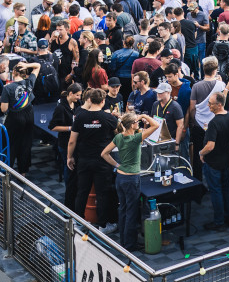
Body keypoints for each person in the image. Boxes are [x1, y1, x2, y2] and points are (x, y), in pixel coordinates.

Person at [101, 112, 161, 250]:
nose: (138, 123)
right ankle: (130, 244)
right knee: (131, 212)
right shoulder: (135, 139)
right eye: (136, 122)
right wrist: (144, 115)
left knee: (122, 209)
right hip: (131, 179)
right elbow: (156, 125)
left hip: (120, 178)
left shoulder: (119, 137)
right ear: (132, 125)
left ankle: (123, 240)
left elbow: (104, 153)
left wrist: (116, 165)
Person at [68, 88, 119, 232]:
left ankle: (78, 223)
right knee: (102, 193)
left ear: (89, 99)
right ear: (103, 101)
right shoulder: (109, 118)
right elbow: (119, 133)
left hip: (83, 160)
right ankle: (103, 225)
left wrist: (69, 157)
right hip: (103, 161)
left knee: (82, 191)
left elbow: (72, 141)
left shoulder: (80, 117)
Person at [198, 92, 229, 231]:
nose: (208, 105)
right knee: (226, 189)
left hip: (214, 162)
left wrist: (201, 153)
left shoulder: (214, 122)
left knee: (216, 191)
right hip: (227, 160)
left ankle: (219, 222)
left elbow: (210, 145)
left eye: (210, 103)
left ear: (219, 105)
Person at [1, 62, 41, 175]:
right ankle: (23, 172)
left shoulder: (8, 88)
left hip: (15, 117)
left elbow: (4, 109)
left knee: (11, 143)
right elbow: (37, 66)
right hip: (29, 114)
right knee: (26, 143)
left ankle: (7, 171)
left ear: (13, 72)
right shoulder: (29, 82)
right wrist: (27, 65)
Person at [49, 84, 84, 208]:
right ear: (70, 93)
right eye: (77, 95)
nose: (79, 97)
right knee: (68, 169)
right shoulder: (60, 108)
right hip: (65, 144)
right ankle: (68, 201)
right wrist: (71, 128)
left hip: (75, 143)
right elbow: (52, 127)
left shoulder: (77, 104)